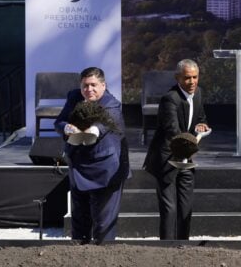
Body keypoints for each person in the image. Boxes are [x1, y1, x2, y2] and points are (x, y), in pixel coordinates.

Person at [54, 67, 129, 244]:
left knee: (103, 225)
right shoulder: (74, 97)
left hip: (106, 169)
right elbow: (59, 121)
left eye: (94, 85)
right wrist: (67, 127)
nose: (89, 90)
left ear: (103, 85)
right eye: (85, 86)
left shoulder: (111, 103)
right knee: (79, 222)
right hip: (79, 166)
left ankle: (104, 257)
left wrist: (90, 131)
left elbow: (104, 124)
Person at [143, 59, 210, 240]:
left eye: (195, 77)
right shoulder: (169, 99)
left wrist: (202, 125)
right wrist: (191, 143)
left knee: (185, 207)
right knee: (169, 208)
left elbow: (200, 117)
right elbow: (173, 130)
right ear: (178, 78)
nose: (192, 82)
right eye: (187, 78)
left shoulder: (198, 93)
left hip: (187, 159)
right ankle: (166, 247)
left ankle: (183, 246)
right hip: (167, 159)